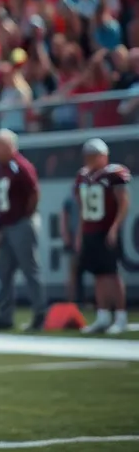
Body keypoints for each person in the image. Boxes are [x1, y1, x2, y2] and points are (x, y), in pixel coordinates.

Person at [0, 130, 46, 332]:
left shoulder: (21, 166)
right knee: (4, 271)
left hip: (21, 224)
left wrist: (25, 216)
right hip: (7, 226)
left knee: (29, 269)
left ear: (9, 146)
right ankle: (5, 316)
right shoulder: (2, 167)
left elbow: (34, 193)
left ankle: (40, 314)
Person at [74, 139, 131, 335]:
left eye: (94, 155)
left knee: (112, 273)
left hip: (106, 230)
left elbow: (124, 203)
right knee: (98, 274)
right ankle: (103, 315)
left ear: (104, 156)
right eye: (88, 155)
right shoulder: (82, 176)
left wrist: (115, 227)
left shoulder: (113, 174)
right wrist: (80, 233)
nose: (90, 159)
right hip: (90, 230)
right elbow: (82, 208)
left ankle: (121, 316)